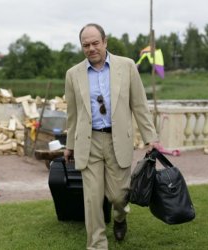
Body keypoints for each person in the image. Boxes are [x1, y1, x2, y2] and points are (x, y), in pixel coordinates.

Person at [64, 23, 161, 249]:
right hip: (89, 143)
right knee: (92, 199)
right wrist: (69, 145)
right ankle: (97, 244)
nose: (91, 48)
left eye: (95, 43)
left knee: (118, 196)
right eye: (86, 45)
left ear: (105, 42)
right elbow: (73, 114)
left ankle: (120, 217)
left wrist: (150, 138)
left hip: (119, 140)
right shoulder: (72, 74)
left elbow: (139, 105)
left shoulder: (127, 67)